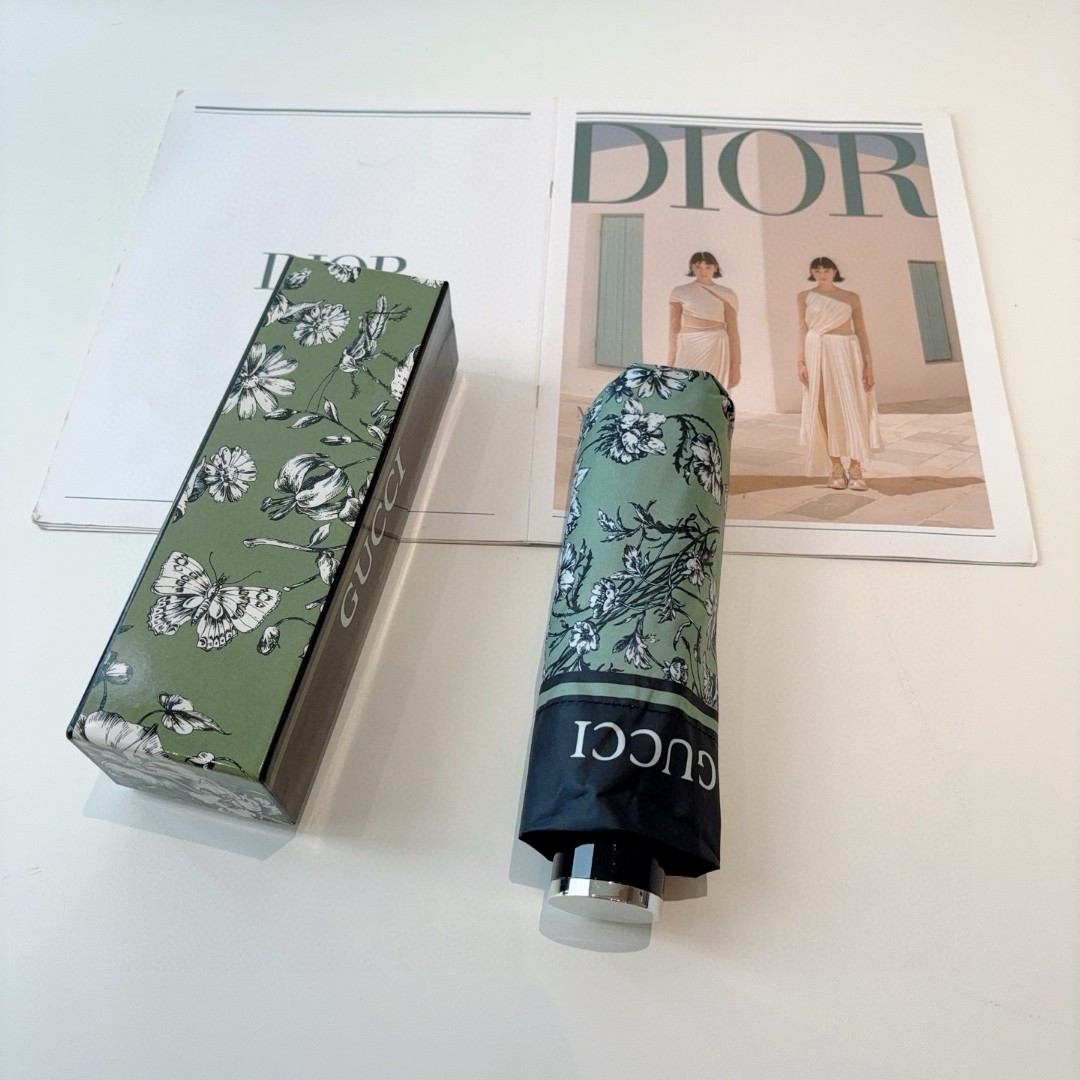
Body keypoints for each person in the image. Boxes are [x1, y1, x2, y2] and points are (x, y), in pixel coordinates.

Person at [796, 256, 882, 491]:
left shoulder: (851, 297)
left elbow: (861, 331)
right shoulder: (804, 297)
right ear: (812, 273)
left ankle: (855, 466)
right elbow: (801, 329)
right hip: (817, 350)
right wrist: (800, 361)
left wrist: (868, 364)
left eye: (826, 270)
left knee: (853, 405)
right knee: (823, 405)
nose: (822, 274)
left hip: (846, 349)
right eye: (817, 270)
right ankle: (835, 466)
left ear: (835, 271)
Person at [667, 251, 741, 387]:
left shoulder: (727, 294)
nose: (703, 271)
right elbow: (673, 330)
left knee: (712, 390)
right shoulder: (679, 292)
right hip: (688, 345)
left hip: (716, 345)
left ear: (715, 268)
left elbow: (733, 332)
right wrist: (671, 361)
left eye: (708, 267)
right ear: (692, 267)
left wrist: (736, 365)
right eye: (698, 267)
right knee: (685, 388)